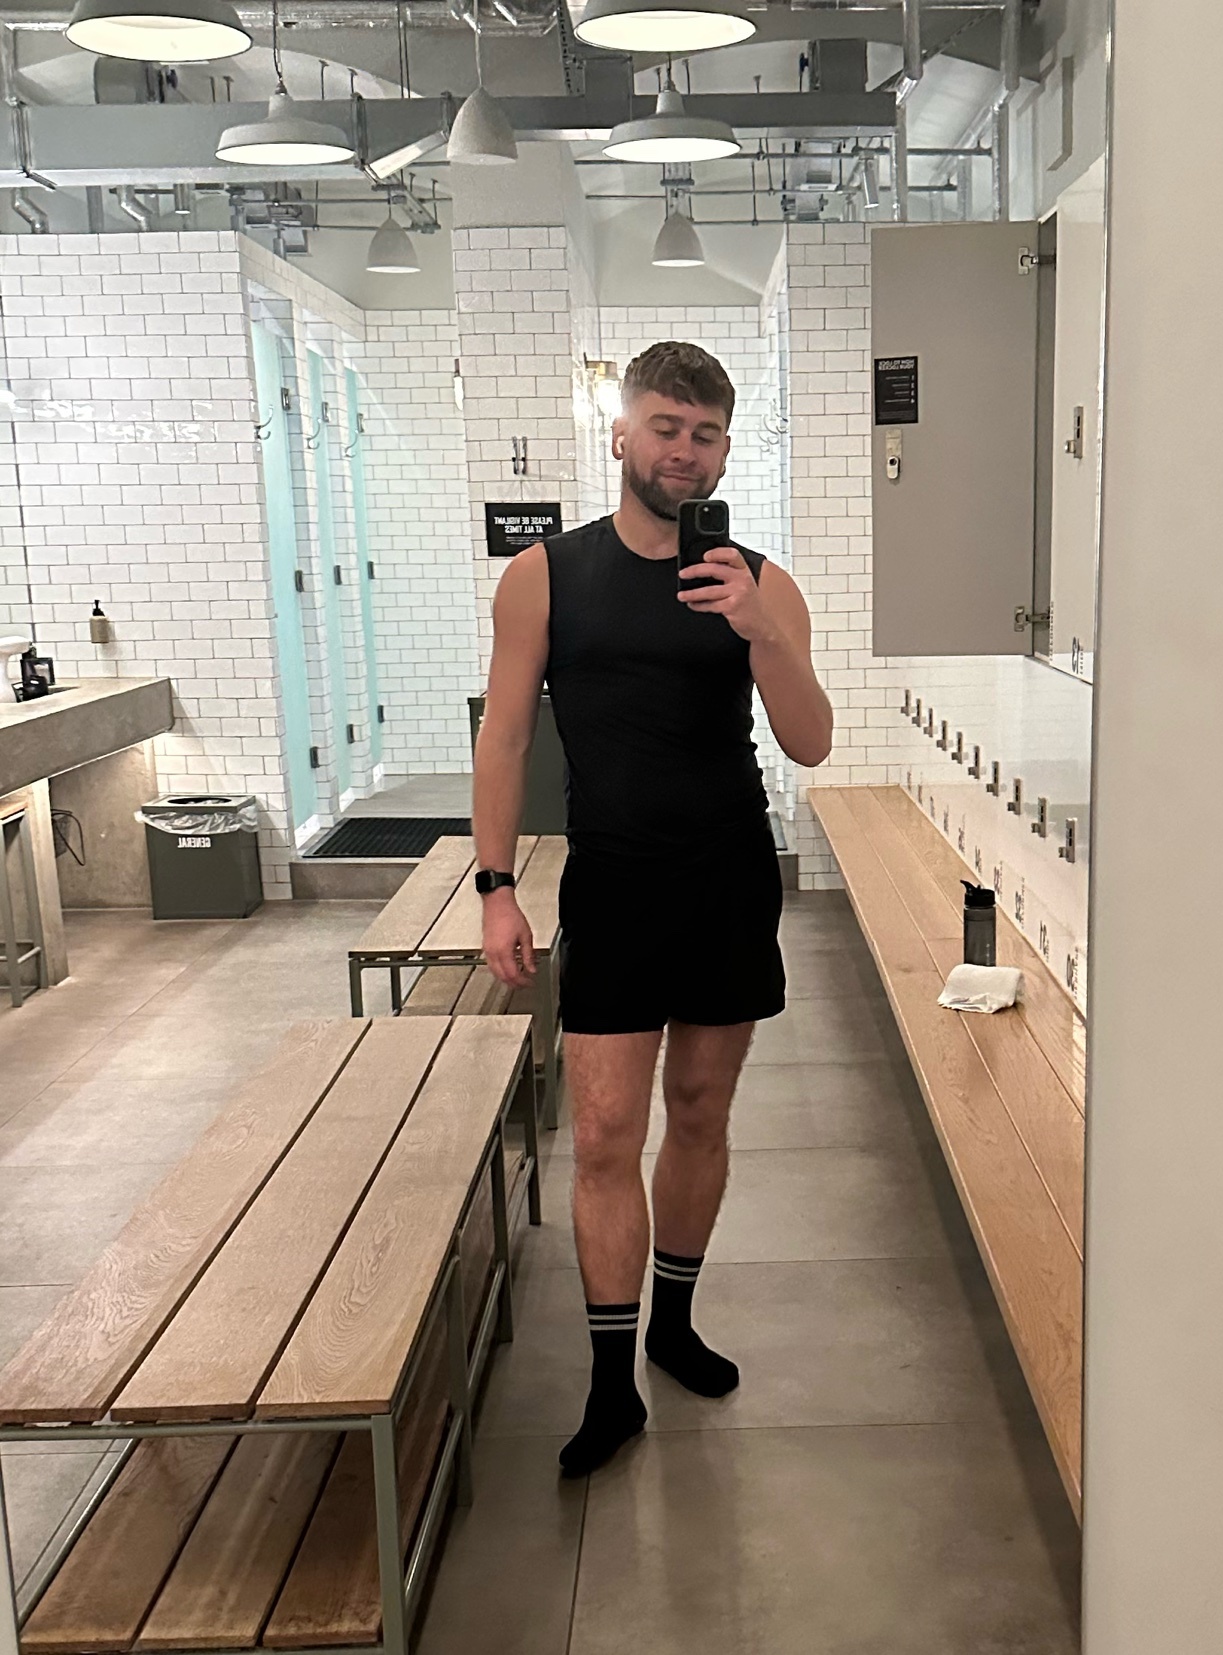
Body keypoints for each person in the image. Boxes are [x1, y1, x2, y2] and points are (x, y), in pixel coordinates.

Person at [472, 341, 834, 1477]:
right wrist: (495, 886)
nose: (684, 449)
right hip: (614, 887)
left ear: (724, 451)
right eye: (666, 427)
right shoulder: (545, 575)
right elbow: (505, 737)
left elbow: (811, 741)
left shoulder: (761, 581)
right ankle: (608, 1383)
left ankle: (673, 1323)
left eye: (706, 434)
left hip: (727, 881)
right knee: (603, 1136)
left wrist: (758, 627)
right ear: (622, 432)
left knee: (701, 1112)